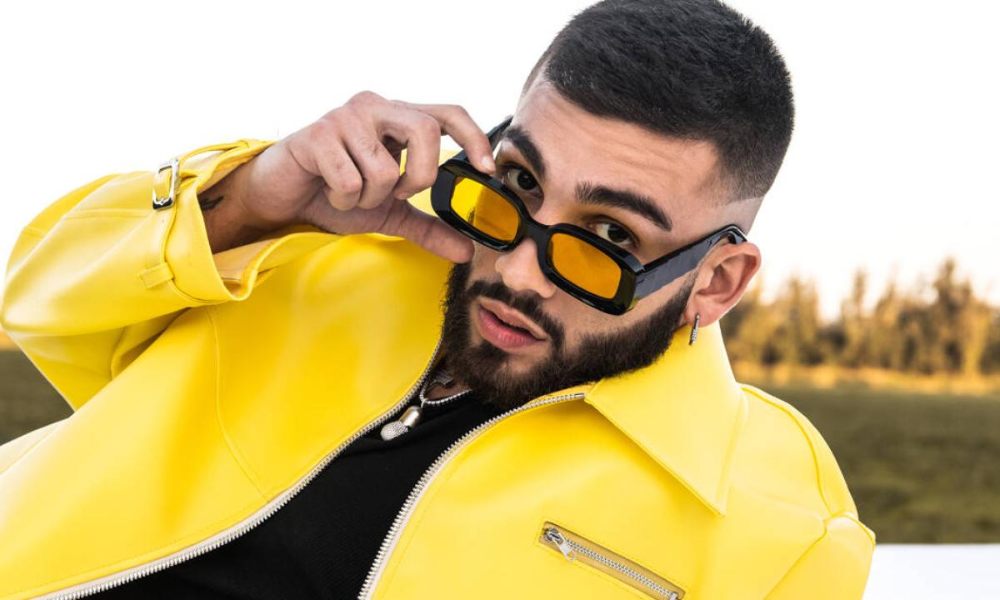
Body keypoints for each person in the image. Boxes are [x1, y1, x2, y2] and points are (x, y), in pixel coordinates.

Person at [0, 0, 875, 598]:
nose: (519, 273)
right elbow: (37, 303)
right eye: (520, 181)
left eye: (611, 237)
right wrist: (252, 197)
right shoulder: (324, 241)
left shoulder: (781, 530)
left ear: (716, 281)